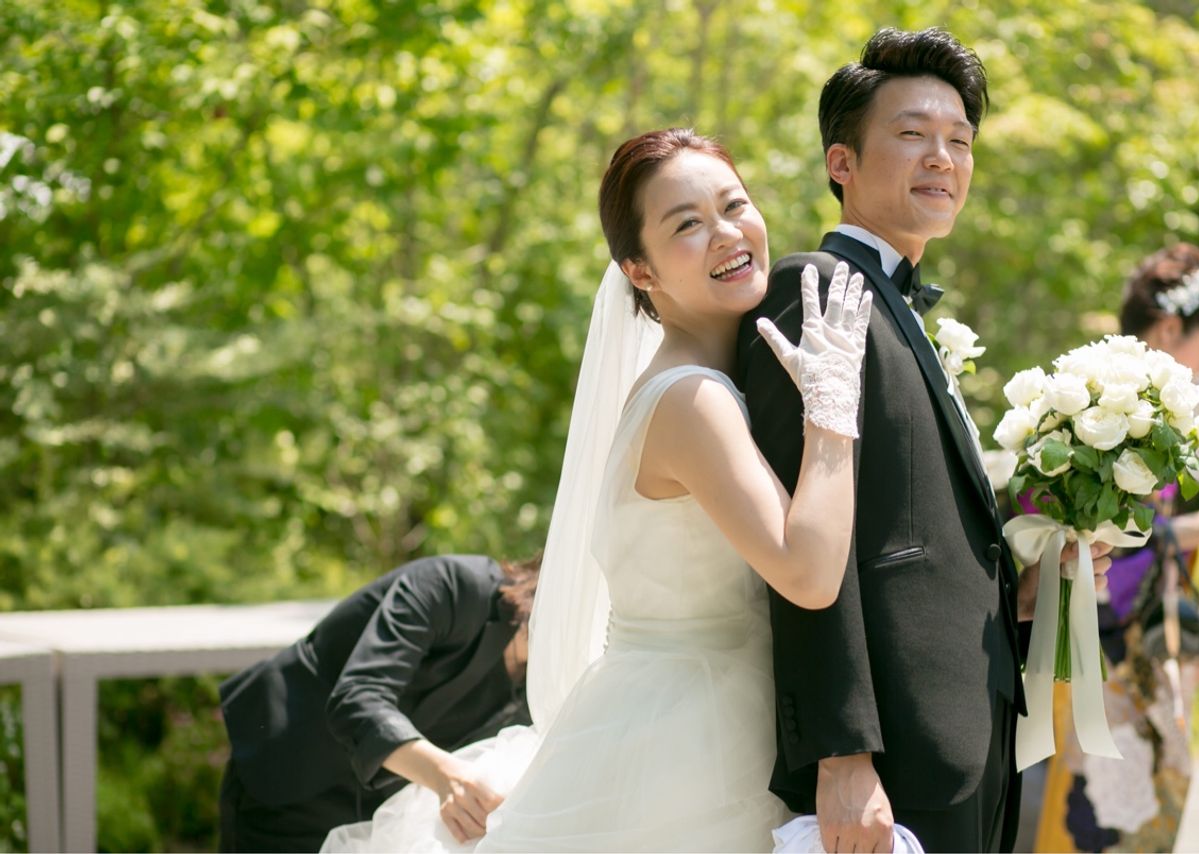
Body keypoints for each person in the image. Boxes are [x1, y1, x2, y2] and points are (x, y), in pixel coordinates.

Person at [323, 127, 915, 852]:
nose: (727, 233)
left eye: (734, 205)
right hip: (691, 750)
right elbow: (809, 574)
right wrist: (832, 410)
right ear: (640, 269)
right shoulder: (692, 400)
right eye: (687, 224)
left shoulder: (709, 384)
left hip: (699, 719)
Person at [738, 27, 1111, 853]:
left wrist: (1020, 592)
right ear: (841, 162)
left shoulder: (901, 310)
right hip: (893, 758)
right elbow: (804, 547)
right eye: (912, 134)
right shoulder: (816, 290)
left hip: (972, 738)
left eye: (960, 141)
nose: (943, 157)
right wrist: (841, 753)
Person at [1032, 243, 1199, 853]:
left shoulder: (1150, 416)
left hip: (1131, 663)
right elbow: (1090, 537)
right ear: (1169, 328)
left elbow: (1145, 537)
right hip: (1094, 662)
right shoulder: (1095, 405)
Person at [218, 553, 538, 852]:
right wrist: (445, 775)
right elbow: (358, 697)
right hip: (293, 766)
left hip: (376, 813)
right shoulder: (454, 584)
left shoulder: (541, 683)